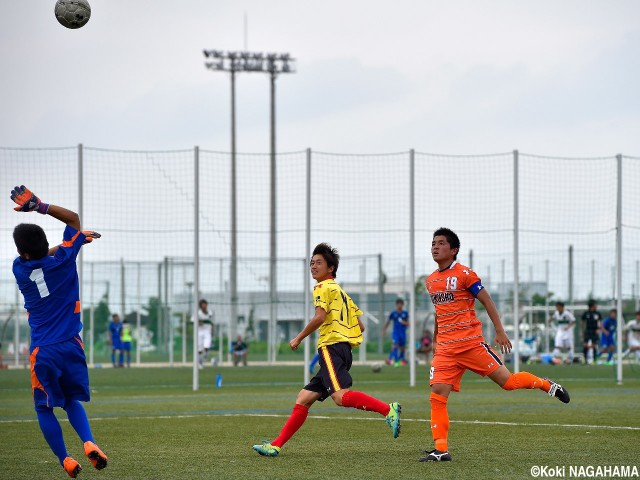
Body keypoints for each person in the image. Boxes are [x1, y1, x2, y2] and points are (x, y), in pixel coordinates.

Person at [422, 228, 569, 462]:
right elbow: (440, 313)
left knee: (508, 382)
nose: (435, 247)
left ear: (453, 250)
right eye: (433, 243)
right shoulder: (430, 281)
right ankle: (441, 449)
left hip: (471, 345)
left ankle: (546, 384)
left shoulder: (465, 274)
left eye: (440, 243)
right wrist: (437, 339)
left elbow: (486, 299)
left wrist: (500, 331)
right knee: (437, 395)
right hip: (446, 351)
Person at [252, 243, 402, 457]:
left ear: (330, 268)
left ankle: (388, 410)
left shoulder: (322, 288)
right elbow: (361, 326)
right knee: (304, 398)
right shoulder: (341, 293)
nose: (313, 266)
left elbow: (320, 317)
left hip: (331, 349)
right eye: (311, 263)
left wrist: (298, 338)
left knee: (340, 397)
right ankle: (275, 445)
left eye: (318, 263)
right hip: (342, 350)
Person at [10, 185, 108, 478]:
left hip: (43, 351)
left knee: (45, 408)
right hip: (71, 345)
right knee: (72, 401)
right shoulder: (65, 260)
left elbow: (38, 256)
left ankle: (66, 459)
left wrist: (74, 243)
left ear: (23, 253)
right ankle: (89, 441)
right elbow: (74, 219)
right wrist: (40, 206)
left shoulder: (19, 269)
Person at [382, 298, 410, 366]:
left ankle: (401, 359)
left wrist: (403, 322)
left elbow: (408, 324)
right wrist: (384, 330)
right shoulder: (393, 313)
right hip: (395, 332)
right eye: (398, 304)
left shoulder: (405, 313)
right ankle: (395, 360)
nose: (399, 305)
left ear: (402, 305)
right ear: (396, 305)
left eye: (401, 304)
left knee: (402, 347)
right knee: (395, 345)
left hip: (402, 332)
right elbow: (388, 322)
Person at [194, 299, 213, 369]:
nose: (204, 306)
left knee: (207, 347)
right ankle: (199, 362)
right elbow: (192, 321)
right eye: (203, 305)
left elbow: (210, 321)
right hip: (199, 332)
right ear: (200, 306)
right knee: (199, 349)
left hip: (207, 332)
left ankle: (204, 360)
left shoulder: (210, 312)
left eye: (205, 305)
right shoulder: (197, 313)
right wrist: (198, 322)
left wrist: (211, 328)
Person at [581, 300, 601, 364]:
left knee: (594, 345)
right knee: (585, 345)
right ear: (592, 305)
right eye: (595, 305)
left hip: (595, 331)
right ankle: (585, 359)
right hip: (588, 330)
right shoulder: (586, 313)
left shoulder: (597, 313)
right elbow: (582, 322)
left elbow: (600, 322)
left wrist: (599, 329)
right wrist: (582, 331)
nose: (596, 306)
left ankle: (594, 360)